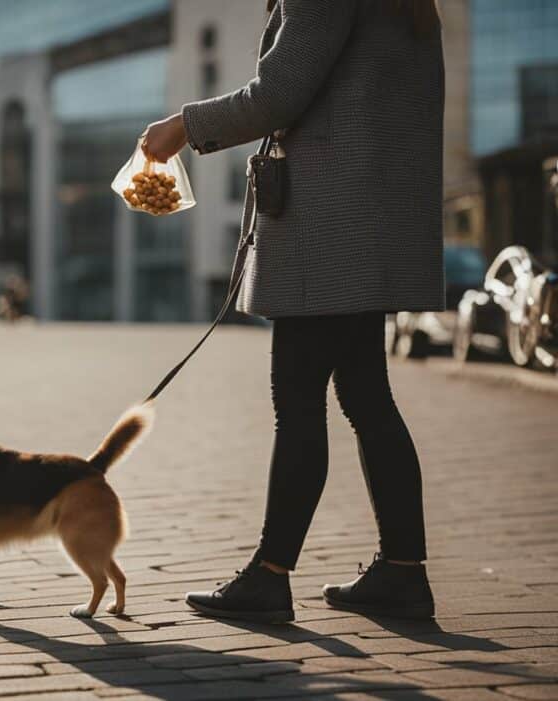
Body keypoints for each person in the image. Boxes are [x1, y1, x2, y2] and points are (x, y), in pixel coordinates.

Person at [141, 0, 443, 622]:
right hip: (368, 216)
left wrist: (182, 127)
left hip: (328, 226)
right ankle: (402, 572)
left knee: (299, 398)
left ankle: (270, 577)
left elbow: (278, 93)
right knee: (365, 394)